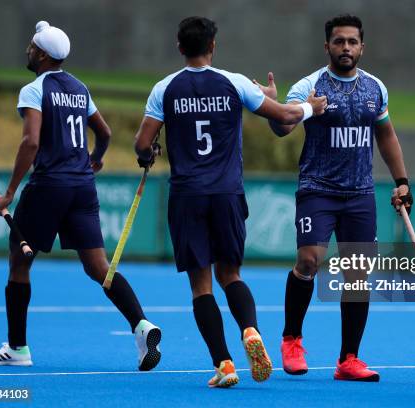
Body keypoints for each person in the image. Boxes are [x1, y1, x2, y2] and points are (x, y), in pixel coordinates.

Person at [133, 16, 327, 388]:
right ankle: (251, 331)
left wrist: (150, 151)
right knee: (230, 275)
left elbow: (143, 144)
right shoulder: (233, 82)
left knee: (201, 285)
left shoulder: (165, 88)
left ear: (179, 47)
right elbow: (286, 115)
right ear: (213, 46)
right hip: (227, 194)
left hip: (188, 195)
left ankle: (224, 364)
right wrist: (310, 109)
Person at [0, 21, 161, 372]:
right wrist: (95, 159)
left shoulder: (34, 90)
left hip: (48, 186)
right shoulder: (80, 88)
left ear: (44, 55)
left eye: (33, 47)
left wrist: (9, 192)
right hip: (82, 187)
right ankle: (141, 325)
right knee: (99, 267)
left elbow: (30, 142)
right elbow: (105, 132)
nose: (28, 51)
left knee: (20, 263)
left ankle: (18, 348)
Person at [260, 14, 412, 382]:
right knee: (309, 261)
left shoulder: (376, 88)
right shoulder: (309, 86)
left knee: (358, 276)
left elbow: (386, 135)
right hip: (318, 190)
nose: (346, 47)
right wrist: (272, 106)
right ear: (326, 45)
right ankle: (292, 340)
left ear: (362, 47)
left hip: (360, 195)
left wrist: (402, 180)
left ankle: (349, 359)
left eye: (352, 42)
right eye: (339, 41)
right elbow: (283, 127)